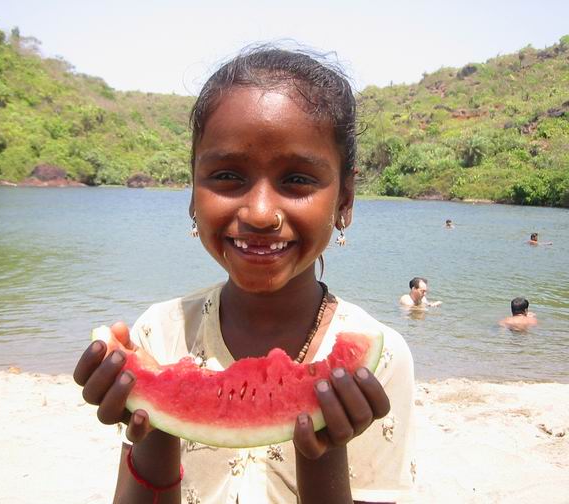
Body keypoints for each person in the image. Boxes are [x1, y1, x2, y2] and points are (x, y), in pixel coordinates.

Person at [74, 47, 415, 504]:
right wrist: (156, 427)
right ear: (193, 191)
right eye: (227, 176)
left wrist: (323, 451)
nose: (259, 213)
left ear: (345, 199)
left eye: (297, 180)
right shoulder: (159, 333)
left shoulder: (382, 358)